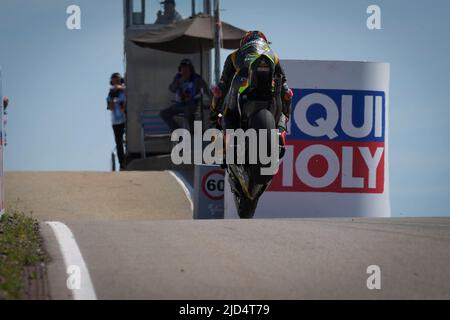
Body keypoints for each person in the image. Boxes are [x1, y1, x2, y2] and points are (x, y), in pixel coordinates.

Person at [209, 31, 293, 154]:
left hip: (242, 87)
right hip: (271, 93)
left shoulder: (235, 55)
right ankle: (280, 132)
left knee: (228, 112)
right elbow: (284, 84)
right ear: (265, 42)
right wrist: (286, 112)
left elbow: (222, 86)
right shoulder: (273, 56)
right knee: (283, 109)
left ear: (244, 42)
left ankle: (229, 137)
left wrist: (213, 114)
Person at [160, 59, 211, 132]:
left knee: (189, 113)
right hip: (179, 104)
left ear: (191, 70)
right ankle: (178, 132)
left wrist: (210, 102)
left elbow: (207, 92)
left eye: (186, 69)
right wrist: (178, 82)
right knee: (163, 113)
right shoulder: (178, 77)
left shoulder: (197, 79)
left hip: (192, 104)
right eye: (182, 69)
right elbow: (171, 89)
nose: (184, 72)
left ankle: (193, 133)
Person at [107, 73, 126, 170]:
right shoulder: (110, 94)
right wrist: (112, 101)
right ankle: (122, 163)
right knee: (118, 143)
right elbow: (110, 108)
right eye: (113, 82)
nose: (115, 84)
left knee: (126, 140)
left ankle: (125, 160)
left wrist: (119, 89)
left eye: (117, 81)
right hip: (115, 122)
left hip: (126, 120)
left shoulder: (124, 91)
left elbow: (124, 107)